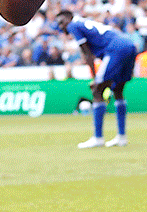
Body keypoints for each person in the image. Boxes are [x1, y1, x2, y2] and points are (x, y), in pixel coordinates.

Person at [55, 10, 136, 148]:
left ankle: (98, 138)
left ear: (69, 18)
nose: (61, 26)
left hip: (115, 49)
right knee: (118, 90)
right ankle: (121, 137)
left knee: (97, 91)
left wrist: (95, 78)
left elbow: (88, 54)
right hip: (129, 45)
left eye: (62, 22)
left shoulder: (73, 25)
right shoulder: (84, 22)